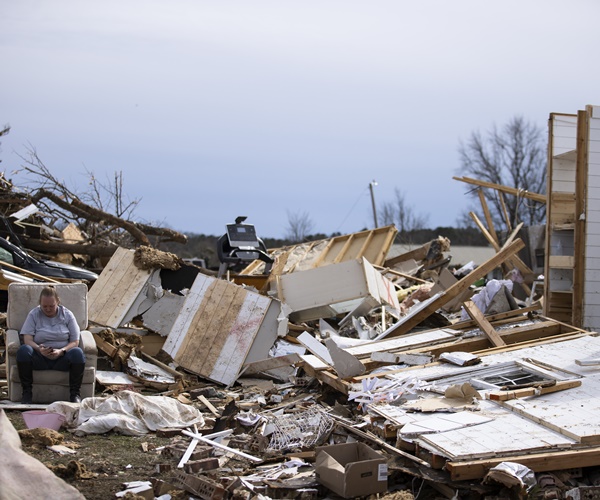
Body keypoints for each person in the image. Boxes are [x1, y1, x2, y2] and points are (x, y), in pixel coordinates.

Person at [16, 286, 86, 404]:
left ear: (57, 302)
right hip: (40, 357)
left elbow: (75, 341)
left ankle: (75, 395)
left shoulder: (67, 315)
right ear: (40, 304)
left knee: (78, 353)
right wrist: (39, 349)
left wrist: (61, 351)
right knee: (23, 350)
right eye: (44, 306)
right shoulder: (34, 314)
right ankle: (27, 393)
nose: (48, 309)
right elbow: (27, 339)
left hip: (62, 358)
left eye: (51, 306)